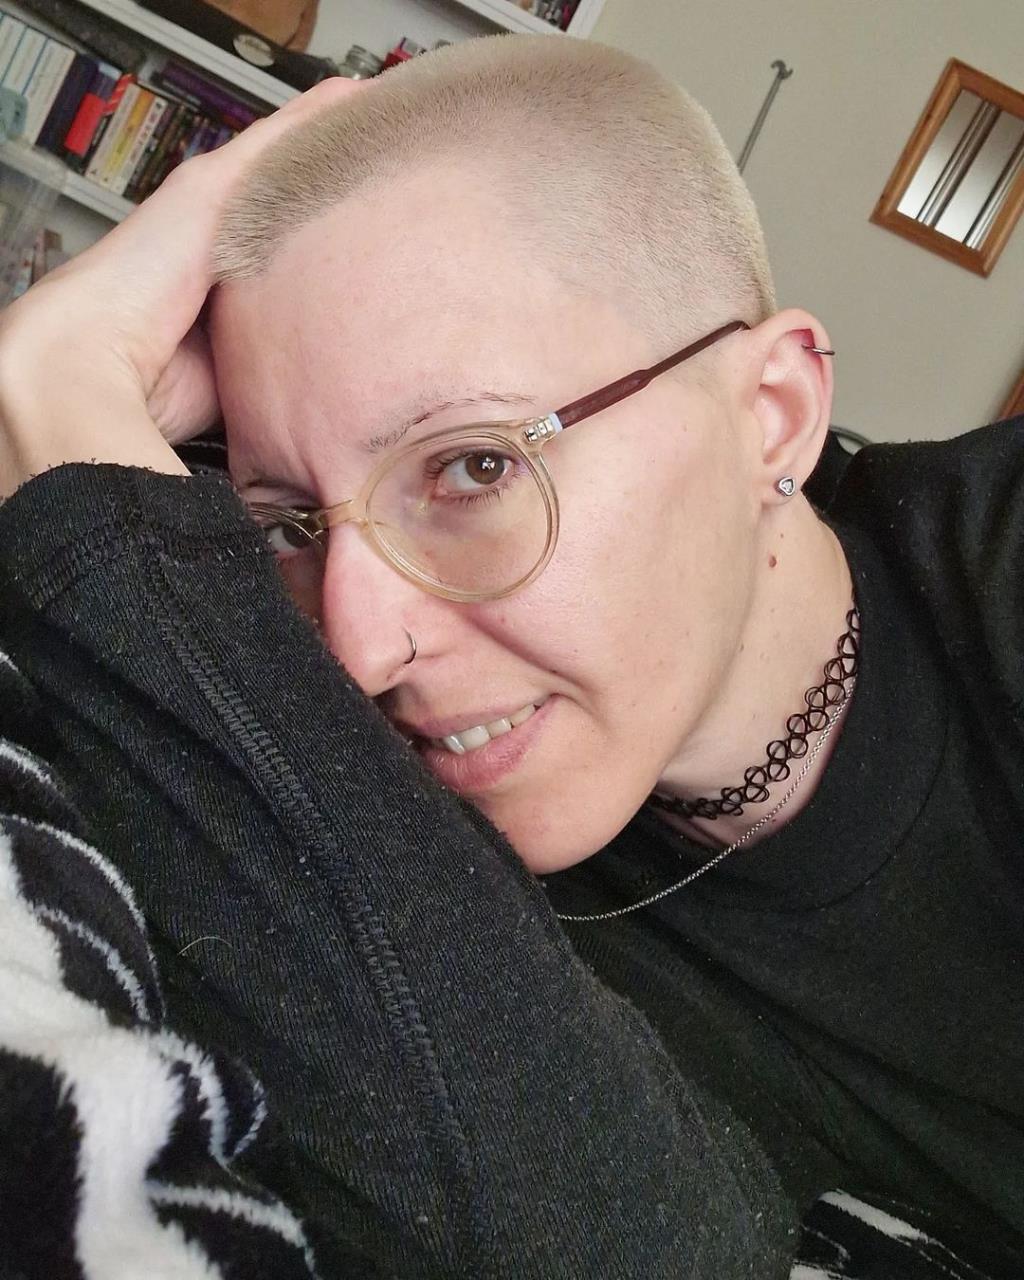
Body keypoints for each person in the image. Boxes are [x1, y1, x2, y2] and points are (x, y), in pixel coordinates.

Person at [0, 33, 1020, 1280]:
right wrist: (59, 403)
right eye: (290, 527)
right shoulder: (452, 857)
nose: (358, 647)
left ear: (772, 416)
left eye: (475, 466)